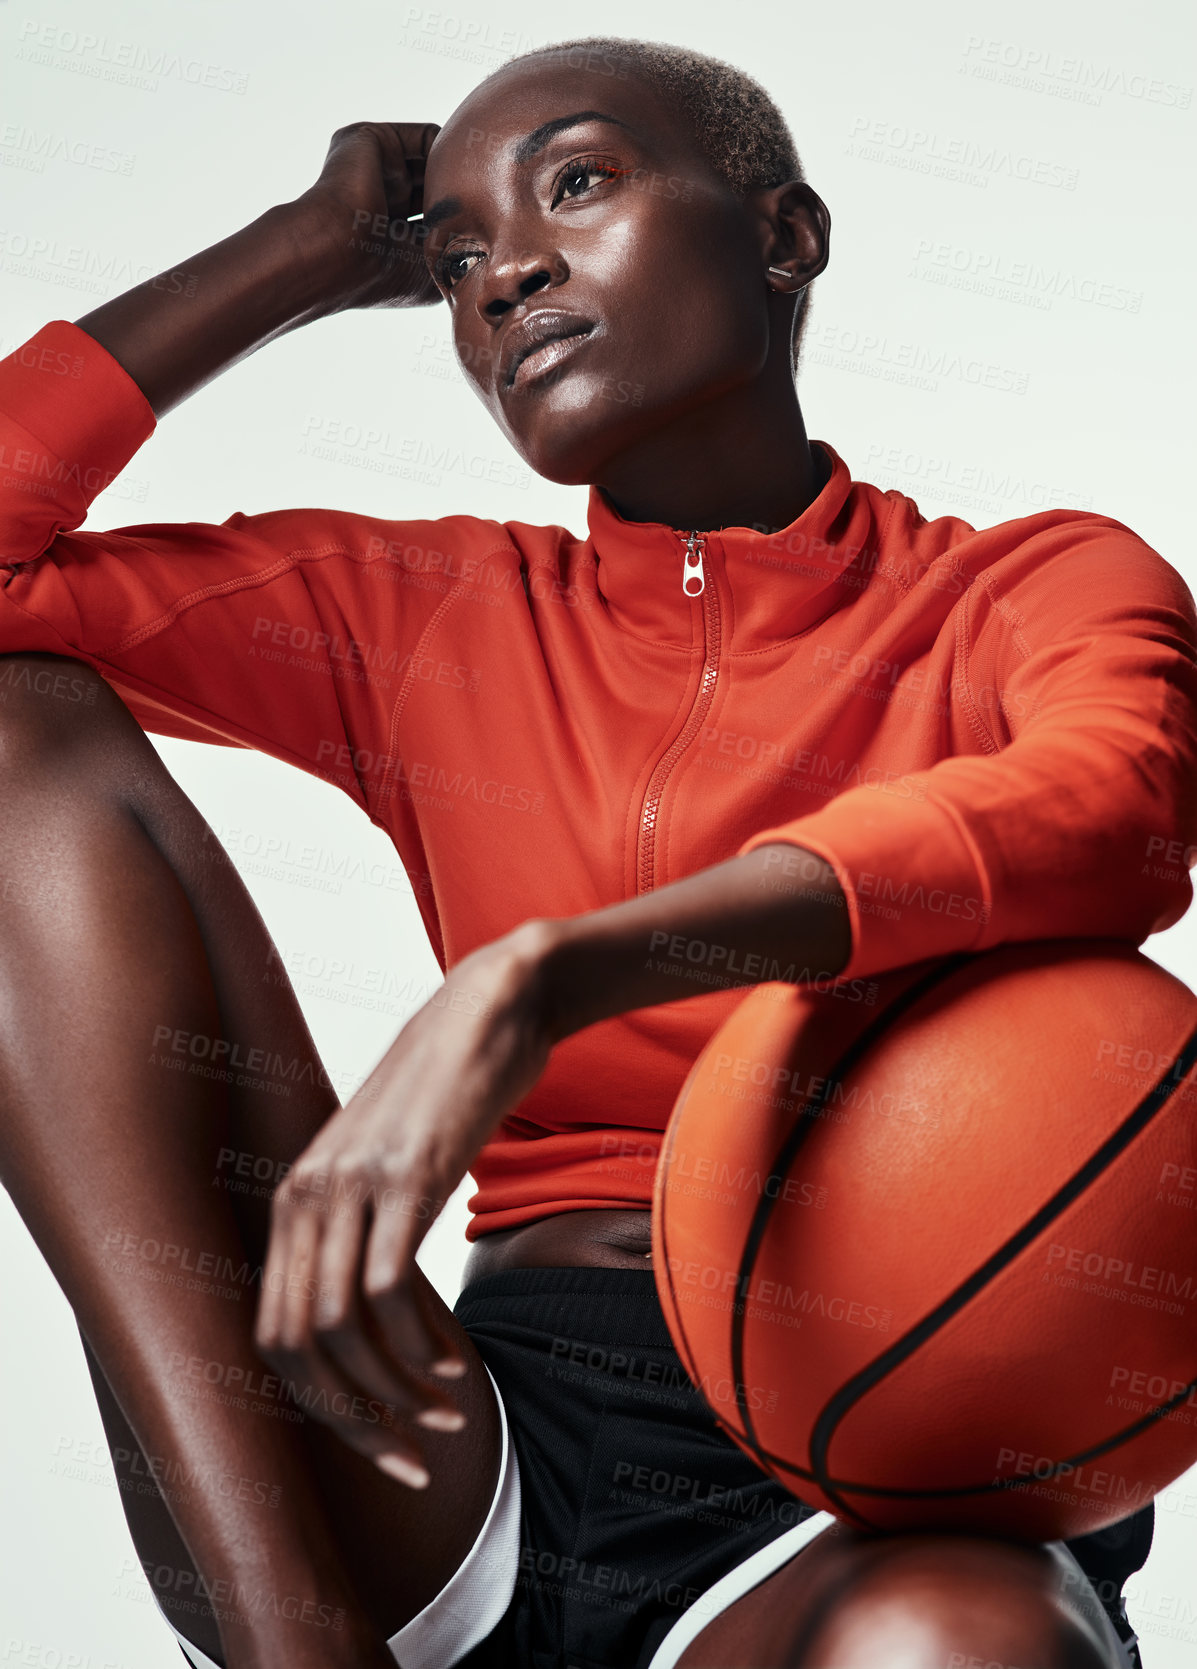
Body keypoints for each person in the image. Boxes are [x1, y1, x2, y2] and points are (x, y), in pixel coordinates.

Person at [0, 33, 1190, 1669]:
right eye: (458, 258)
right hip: (462, 1447)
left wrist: (551, 973)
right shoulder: (428, 617)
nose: (505, 278)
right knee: (15, 730)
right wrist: (293, 252)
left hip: (897, 1461)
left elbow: (1114, 803)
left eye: (577, 184)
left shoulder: (1026, 591)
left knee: (953, 1645)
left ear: (784, 236)